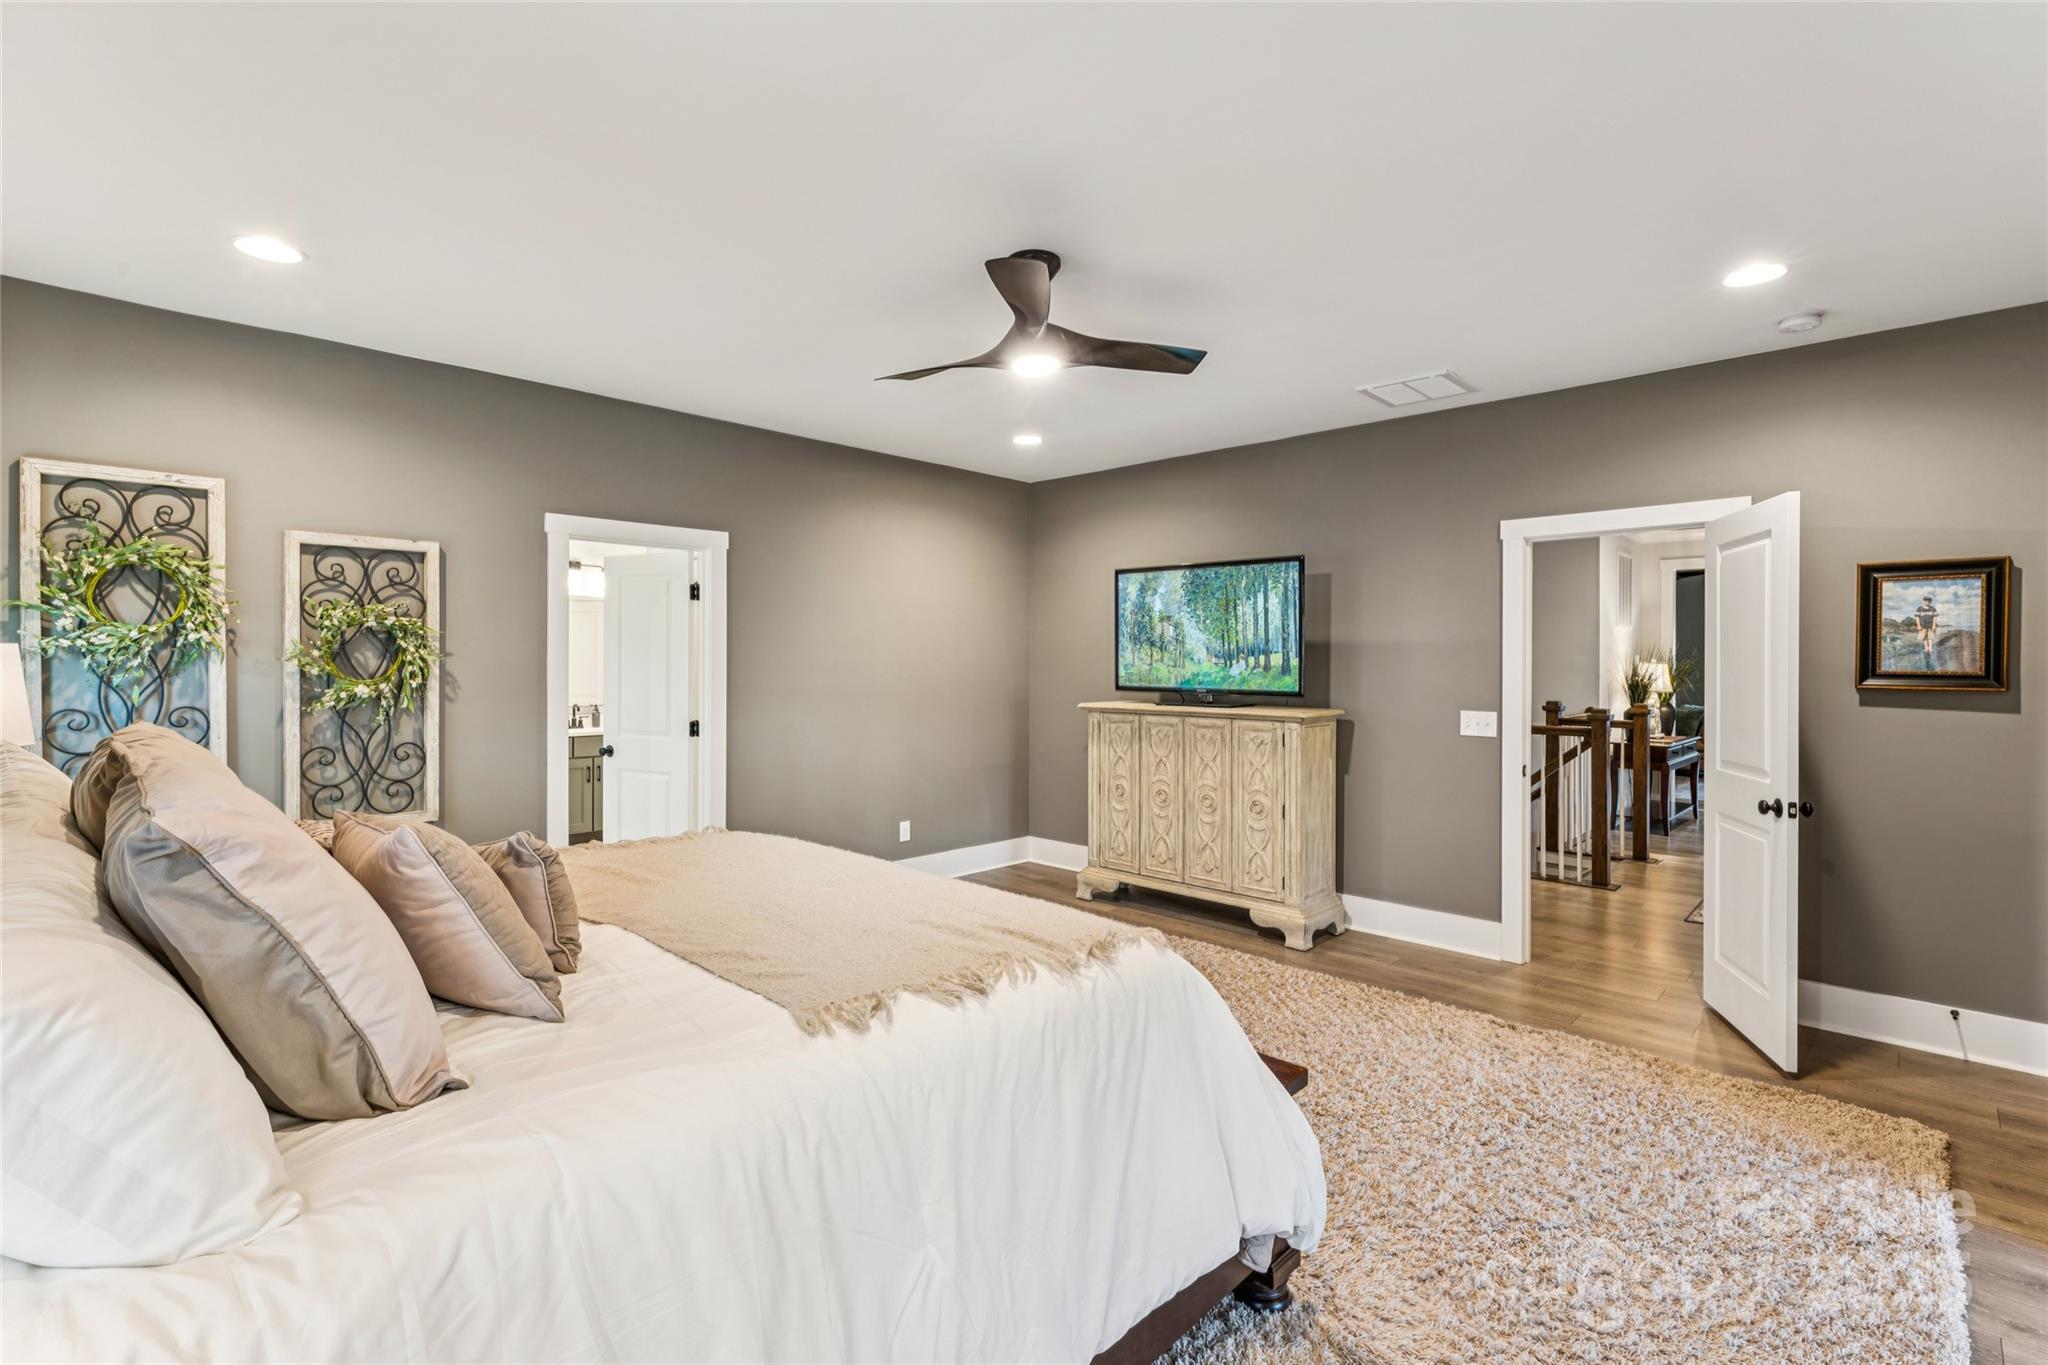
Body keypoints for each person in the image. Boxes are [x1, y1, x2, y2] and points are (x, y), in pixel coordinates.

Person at [1913, 593, 1939, 667]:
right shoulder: (1919, 608)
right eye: (1925, 600)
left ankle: (1930, 647)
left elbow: (1935, 617)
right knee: (1924, 637)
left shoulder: (1933, 608)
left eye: (1929, 600)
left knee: (1930, 637)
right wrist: (1918, 625)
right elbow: (1917, 617)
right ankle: (1926, 647)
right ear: (1923, 601)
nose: (1927, 602)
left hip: (1930, 626)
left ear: (1930, 601)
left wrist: (1934, 625)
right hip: (1922, 626)